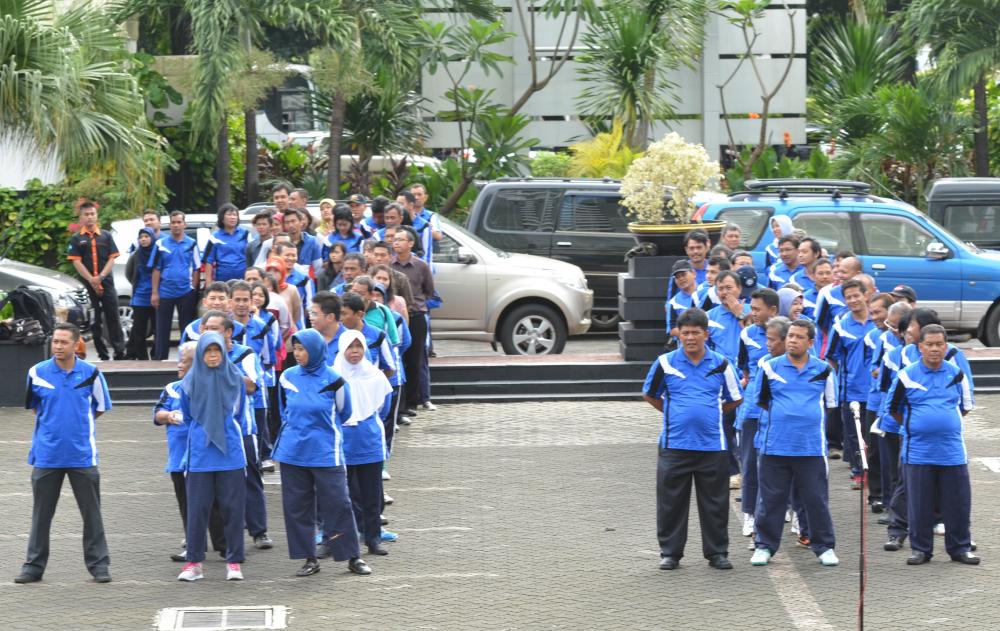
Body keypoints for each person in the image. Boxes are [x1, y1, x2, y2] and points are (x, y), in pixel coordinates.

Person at [643, 308, 742, 570]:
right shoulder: (665, 363)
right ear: (679, 334)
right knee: (671, 503)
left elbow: (735, 398)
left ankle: (717, 553)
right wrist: (674, 413)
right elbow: (650, 395)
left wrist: (711, 413)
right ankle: (670, 553)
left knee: (715, 503)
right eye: (685, 333)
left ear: (706, 334)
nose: (689, 338)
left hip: (713, 446)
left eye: (695, 333)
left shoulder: (721, 363)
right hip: (674, 445)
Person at [16, 323, 112, 584]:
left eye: (63, 342)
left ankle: (99, 565)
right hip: (47, 456)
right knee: (41, 515)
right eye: (55, 341)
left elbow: (100, 408)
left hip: (82, 456)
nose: (57, 346)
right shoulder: (37, 372)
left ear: (76, 344)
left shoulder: (92, 373)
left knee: (92, 515)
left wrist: (77, 427)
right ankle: (33, 567)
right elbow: (35, 407)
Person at [274, 329, 372, 577]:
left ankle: (352, 556)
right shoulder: (287, 377)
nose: (297, 354)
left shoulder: (335, 380)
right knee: (297, 507)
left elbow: (345, 412)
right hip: (292, 453)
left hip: (326, 452)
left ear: (315, 350)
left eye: (302, 349)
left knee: (338, 504)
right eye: (296, 349)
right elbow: (282, 410)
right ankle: (309, 558)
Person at [886, 324, 978, 565]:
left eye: (939, 344)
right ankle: (920, 550)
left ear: (946, 347)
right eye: (929, 344)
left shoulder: (956, 374)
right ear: (920, 347)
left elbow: (965, 406)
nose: (935, 349)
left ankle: (960, 548)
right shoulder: (906, 375)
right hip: (918, 452)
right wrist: (918, 425)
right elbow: (893, 409)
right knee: (919, 504)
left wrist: (942, 423)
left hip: (952, 452)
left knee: (958, 503)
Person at [752, 319, 840, 567]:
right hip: (775, 446)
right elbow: (762, 400)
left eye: (799, 337)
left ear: (810, 343)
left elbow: (830, 405)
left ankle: (824, 547)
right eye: (790, 335)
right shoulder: (769, 367)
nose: (792, 340)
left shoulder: (824, 371)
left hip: (811, 448)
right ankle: (764, 546)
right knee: (771, 500)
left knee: (816, 499)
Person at [176, 333, 248, 582]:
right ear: (201, 354)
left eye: (217, 350)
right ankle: (194, 563)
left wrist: (222, 428)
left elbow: (239, 413)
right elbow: (187, 416)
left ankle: (234, 562)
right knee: (197, 510)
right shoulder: (189, 381)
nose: (213, 355)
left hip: (231, 453)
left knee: (233, 510)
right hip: (200, 454)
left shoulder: (235, 379)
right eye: (208, 350)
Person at [199, 311, 273, 551]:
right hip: (210, 430)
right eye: (206, 328)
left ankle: (259, 531)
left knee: (250, 478)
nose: (210, 333)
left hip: (242, 429)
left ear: (229, 332)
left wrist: (223, 367)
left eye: (216, 328)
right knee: (210, 484)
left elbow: (251, 386)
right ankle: (214, 535)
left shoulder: (245, 353)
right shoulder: (199, 355)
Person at [153, 342, 227, 563]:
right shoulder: (171, 388)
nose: (179, 365)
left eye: (184, 361)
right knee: (187, 505)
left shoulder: (213, 387)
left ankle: (225, 546)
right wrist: (168, 416)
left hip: (204, 458)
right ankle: (195, 547)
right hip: (179, 459)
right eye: (179, 360)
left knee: (212, 504)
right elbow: (157, 413)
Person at [335, 329, 394, 556]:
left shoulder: (375, 376)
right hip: (342, 442)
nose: (355, 351)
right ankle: (342, 539)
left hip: (369, 441)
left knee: (371, 495)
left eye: (359, 346)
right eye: (350, 347)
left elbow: (384, 408)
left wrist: (365, 419)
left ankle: (373, 539)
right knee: (343, 496)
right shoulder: (334, 376)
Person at [737, 315, 790, 541]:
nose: (767, 344)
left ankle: (793, 512)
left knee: (787, 469)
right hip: (754, 416)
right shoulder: (763, 362)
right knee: (751, 466)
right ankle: (750, 514)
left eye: (772, 339)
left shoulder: (803, 362)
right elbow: (749, 378)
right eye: (767, 339)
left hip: (784, 423)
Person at [736, 289, 779, 534]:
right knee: (751, 464)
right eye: (751, 308)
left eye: (756, 309)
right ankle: (750, 514)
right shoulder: (747, 334)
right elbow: (744, 370)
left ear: (773, 310)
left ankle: (787, 510)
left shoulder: (789, 333)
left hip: (780, 412)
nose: (752, 313)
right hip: (753, 410)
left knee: (780, 465)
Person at [825, 279, 875, 482]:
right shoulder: (840, 326)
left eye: (856, 295)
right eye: (848, 297)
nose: (853, 300)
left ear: (866, 295)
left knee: (874, 434)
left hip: (876, 391)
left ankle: (875, 474)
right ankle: (858, 473)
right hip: (852, 390)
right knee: (855, 434)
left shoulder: (878, 321)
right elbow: (831, 357)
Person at [67, 199, 126, 361]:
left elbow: (112, 258)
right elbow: (76, 261)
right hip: (87, 285)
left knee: (113, 317)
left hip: (107, 283)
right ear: (81, 217)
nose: (90, 217)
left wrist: (100, 277)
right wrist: (91, 279)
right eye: (86, 214)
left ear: (96, 215)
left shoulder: (106, 236)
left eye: (92, 214)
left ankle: (120, 352)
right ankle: (102, 354)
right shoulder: (77, 238)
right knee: (95, 320)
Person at [392, 229, 434, 415]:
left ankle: (412, 401)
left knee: (415, 360)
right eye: (395, 239)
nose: (396, 242)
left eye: (401, 239)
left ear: (410, 243)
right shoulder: (389, 265)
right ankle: (400, 403)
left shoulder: (421, 265)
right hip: (395, 316)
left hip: (416, 315)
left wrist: (417, 303)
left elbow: (429, 290)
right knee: (398, 358)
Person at [150, 211, 201, 361]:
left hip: (186, 292)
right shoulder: (160, 244)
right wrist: (154, 292)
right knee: (162, 330)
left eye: (179, 222)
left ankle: (187, 360)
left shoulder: (192, 244)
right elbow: (156, 269)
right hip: (165, 292)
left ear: (184, 224)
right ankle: (160, 361)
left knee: (187, 329)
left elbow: (197, 268)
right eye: (173, 222)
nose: (176, 225)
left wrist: (193, 289)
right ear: (170, 225)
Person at [861, 292, 895, 511]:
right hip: (875, 400)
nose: (874, 317)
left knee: (891, 453)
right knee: (873, 449)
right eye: (871, 313)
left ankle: (893, 497)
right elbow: (873, 367)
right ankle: (876, 494)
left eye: (878, 312)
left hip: (892, 403)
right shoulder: (875, 337)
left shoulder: (902, 337)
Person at [125, 227, 157, 360]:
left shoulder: (158, 253)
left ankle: (156, 356)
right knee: (139, 332)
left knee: (158, 330)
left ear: (152, 238)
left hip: (156, 297)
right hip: (140, 298)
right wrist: (137, 286)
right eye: (141, 237)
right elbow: (129, 273)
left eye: (146, 236)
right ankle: (142, 358)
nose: (143, 239)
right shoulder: (136, 255)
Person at [204, 203, 250, 282]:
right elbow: (209, 261)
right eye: (229, 214)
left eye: (235, 215)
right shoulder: (214, 237)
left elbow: (253, 256)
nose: (232, 217)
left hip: (243, 281)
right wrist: (208, 283)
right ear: (222, 218)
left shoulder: (246, 234)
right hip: (222, 282)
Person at [371, 242, 415, 315]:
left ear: (390, 257)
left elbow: (407, 304)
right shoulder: (366, 277)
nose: (379, 258)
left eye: (383, 255)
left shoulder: (400, 278)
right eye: (376, 255)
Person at [665, 260, 698, 343]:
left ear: (694, 273)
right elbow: (672, 330)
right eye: (677, 277)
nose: (681, 279)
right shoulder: (674, 302)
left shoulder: (706, 293)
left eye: (683, 274)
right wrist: (693, 334)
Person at [283, 208, 323, 275]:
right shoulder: (282, 242)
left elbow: (318, 267)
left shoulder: (312, 241)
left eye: (293, 221)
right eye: (287, 222)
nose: (290, 225)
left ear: (301, 222)